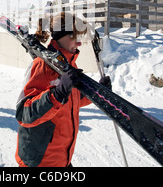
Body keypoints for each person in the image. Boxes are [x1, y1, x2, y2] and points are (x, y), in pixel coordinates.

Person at [15, 12, 110, 167]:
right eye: (73, 37)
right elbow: (24, 114)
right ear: (60, 37)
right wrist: (56, 95)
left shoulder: (69, 66)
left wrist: (98, 92)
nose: (78, 44)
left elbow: (74, 101)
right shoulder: (41, 66)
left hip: (62, 159)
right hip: (40, 161)